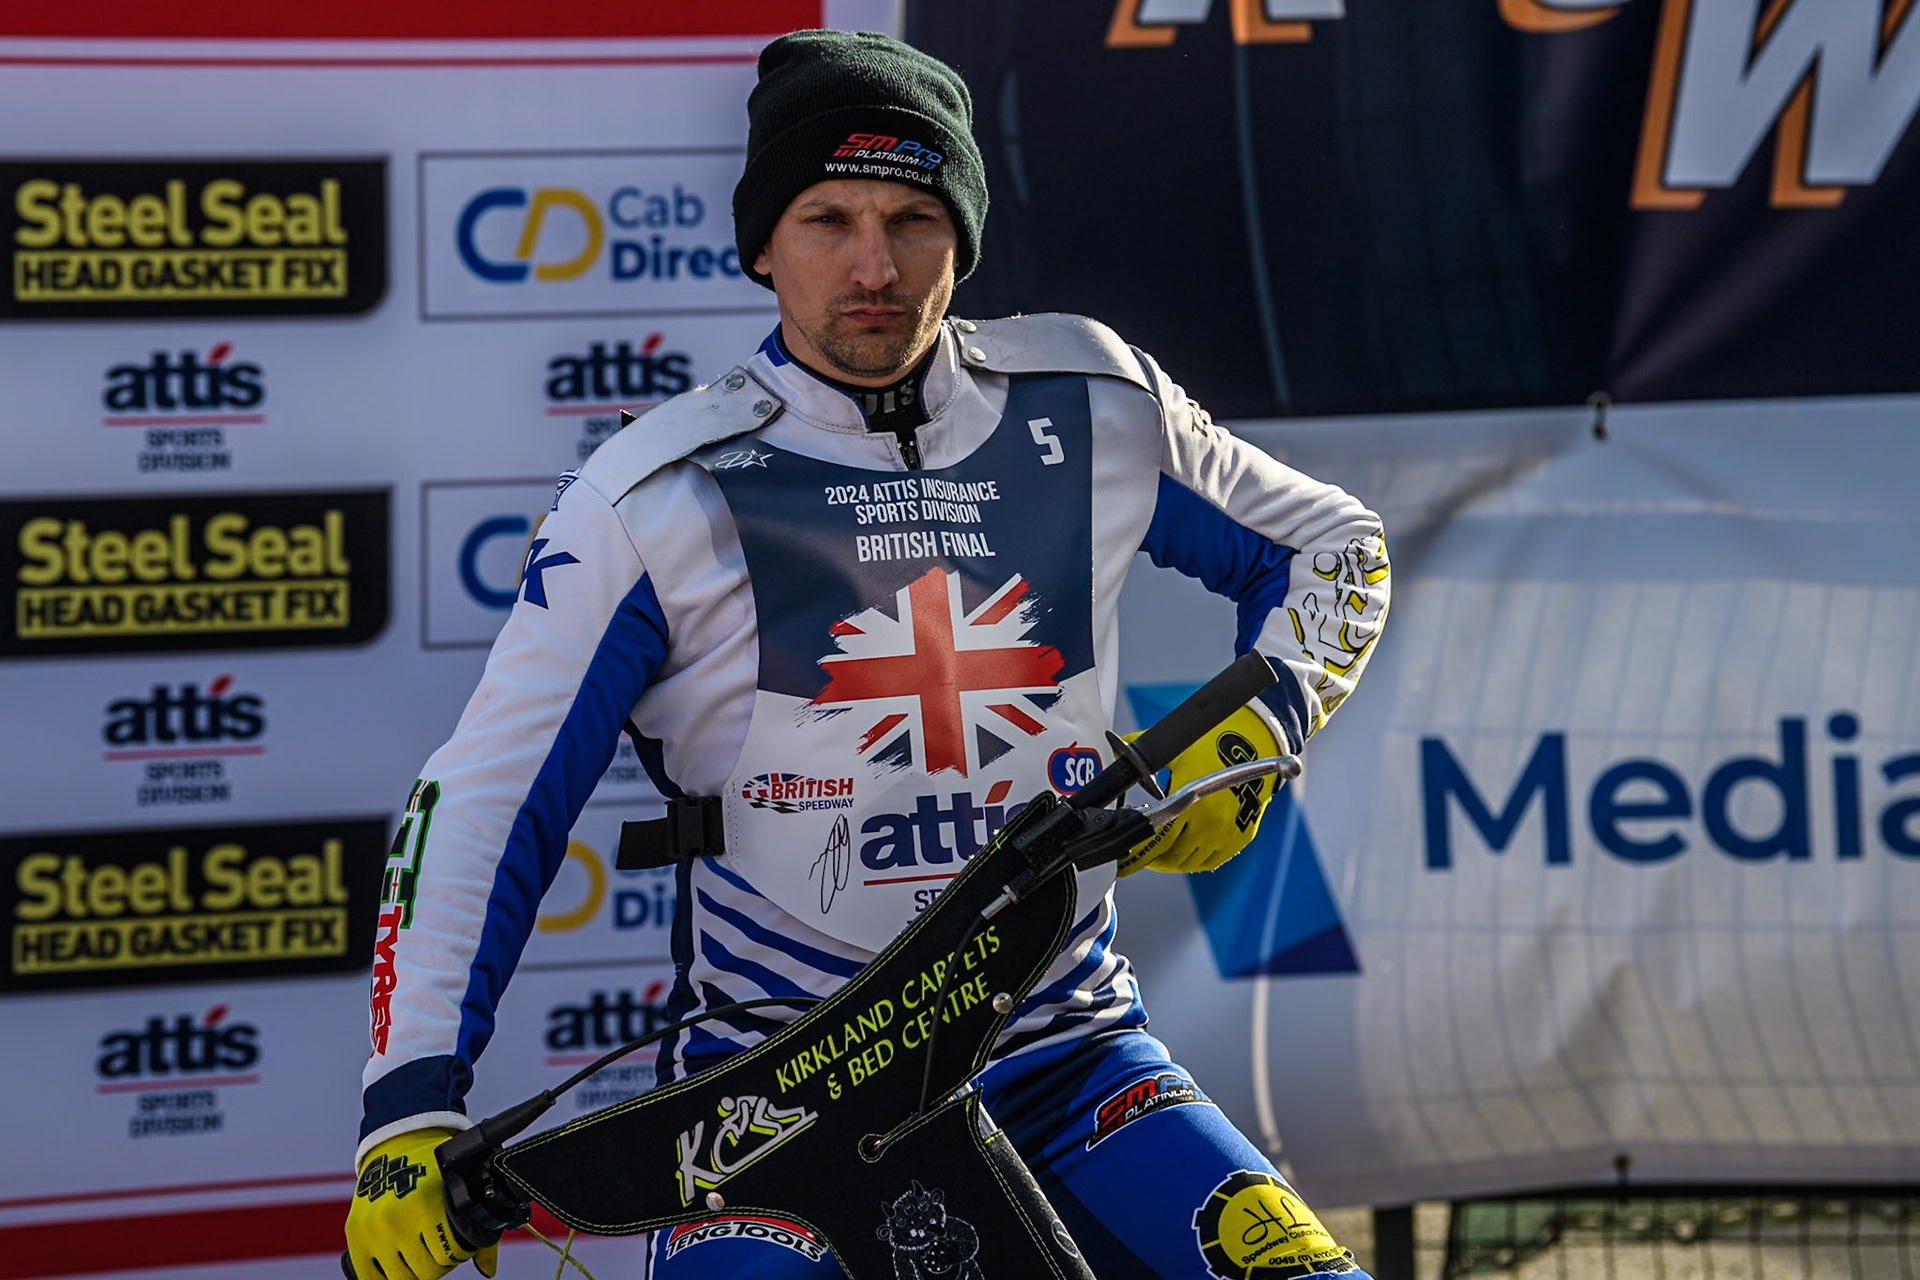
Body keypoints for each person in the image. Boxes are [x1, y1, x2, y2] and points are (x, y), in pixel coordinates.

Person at [345, 28, 1390, 1280]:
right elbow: (484, 798)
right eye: (826, 218)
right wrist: (410, 1102)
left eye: (913, 218)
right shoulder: (651, 496)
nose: (874, 265)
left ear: (964, 237)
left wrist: (1259, 732)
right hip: (772, 1102)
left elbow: (1334, 548)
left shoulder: (1090, 401)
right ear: (760, 245)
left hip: (1066, 1055)